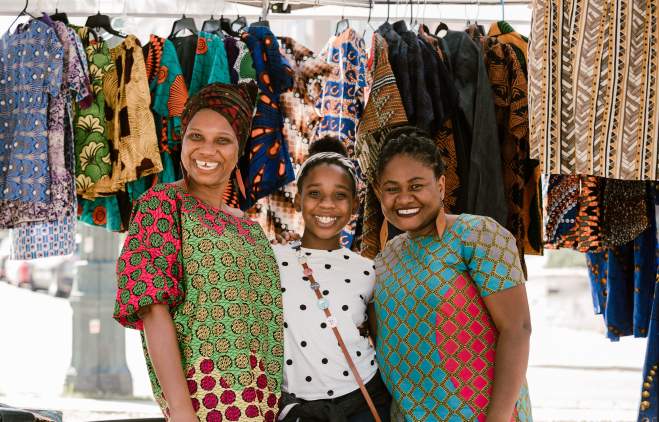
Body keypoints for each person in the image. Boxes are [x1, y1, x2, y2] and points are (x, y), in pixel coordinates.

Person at [113, 83, 283, 422]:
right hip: (202, 405)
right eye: (196, 137)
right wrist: (181, 413)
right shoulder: (161, 206)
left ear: (239, 150)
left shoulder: (250, 230)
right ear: (182, 142)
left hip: (260, 406)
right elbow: (153, 310)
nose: (207, 150)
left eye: (222, 140)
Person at [372, 127, 533, 421]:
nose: (404, 198)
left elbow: (518, 329)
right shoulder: (386, 257)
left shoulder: (478, 235)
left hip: (480, 413)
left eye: (416, 185)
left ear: (442, 185)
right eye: (392, 189)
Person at [272, 137, 391, 422]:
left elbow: (380, 338)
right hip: (299, 408)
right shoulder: (271, 259)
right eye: (315, 193)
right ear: (299, 199)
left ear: (354, 205)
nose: (327, 204)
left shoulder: (368, 270)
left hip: (362, 400)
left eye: (340, 195)